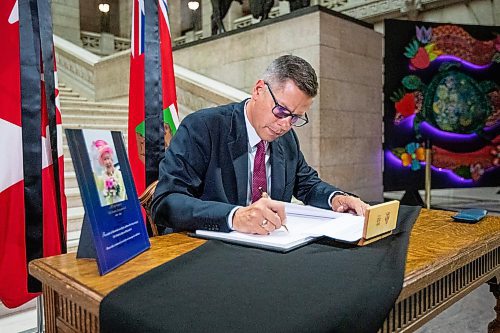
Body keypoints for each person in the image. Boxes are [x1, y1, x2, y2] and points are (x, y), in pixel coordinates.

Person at [151, 55, 369, 235]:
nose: (285, 125)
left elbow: (307, 185)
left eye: (295, 118)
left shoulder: (287, 139)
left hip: (268, 250)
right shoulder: (203, 127)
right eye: (282, 111)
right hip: (207, 250)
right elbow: (166, 202)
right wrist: (235, 217)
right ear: (258, 90)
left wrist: (337, 198)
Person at [93, 139, 126, 205]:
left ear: (111, 159)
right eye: (104, 159)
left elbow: (124, 191)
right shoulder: (103, 177)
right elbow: (99, 186)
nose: (107, 162)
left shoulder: (119, 174)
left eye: (108, 158)